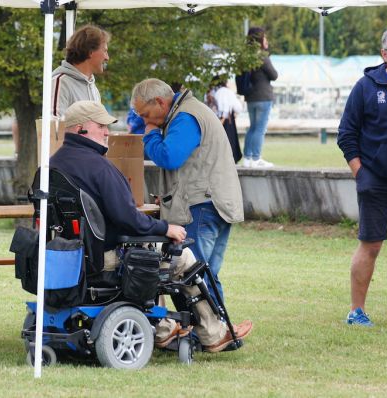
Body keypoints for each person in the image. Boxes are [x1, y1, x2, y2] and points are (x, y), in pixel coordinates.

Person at [50, 100, 253, 352]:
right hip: (106, 258)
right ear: (80, 128)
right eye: (101, 126)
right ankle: (212, 333)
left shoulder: (51, 166)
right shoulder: (100, 168)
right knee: (183, 257)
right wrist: (166, 228)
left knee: (148, 252)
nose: (107, 132)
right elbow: (129, 219)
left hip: (68, 257)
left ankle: (166, 329)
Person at [131, 78, 244, 308]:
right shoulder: (190, 112)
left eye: (145, 114)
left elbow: (168, 157)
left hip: (201, 207)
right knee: (206, 275)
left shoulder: (185, 117)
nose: (144, 120)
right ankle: (217, 331)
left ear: (160, 102)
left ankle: (202, 332)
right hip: (215, 203)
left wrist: (151, 134)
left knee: (191, 274)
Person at [337, 25, 387, 327]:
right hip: (375, 178)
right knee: (372, 244)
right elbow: (346, 134)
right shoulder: (366, 85)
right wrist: (360, 172)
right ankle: (356, 310)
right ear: (384, 54)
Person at [51, 25, 110, 118]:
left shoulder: (93, 87)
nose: (107, 57)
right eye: (105, 51)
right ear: (90, 52)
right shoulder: (60, 83)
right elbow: (53, 129)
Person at [242, 27, 278, 168]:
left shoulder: (246, 57)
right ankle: (256, 158)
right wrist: (266, 53)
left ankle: (247, 158)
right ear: (260, 39)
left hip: (250, 97)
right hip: (263, 97)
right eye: (264, 37)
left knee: (252, 128)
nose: (266, 40)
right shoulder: (262, 56)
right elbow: (274, 75)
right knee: (260, 129)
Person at [212, 79, 243, 164]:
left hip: (219, 118)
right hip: (227, 119)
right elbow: (238, 107)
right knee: (230, 140)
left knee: (220, 140)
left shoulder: (215, 92)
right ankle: (231, 160)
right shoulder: (228, 91)